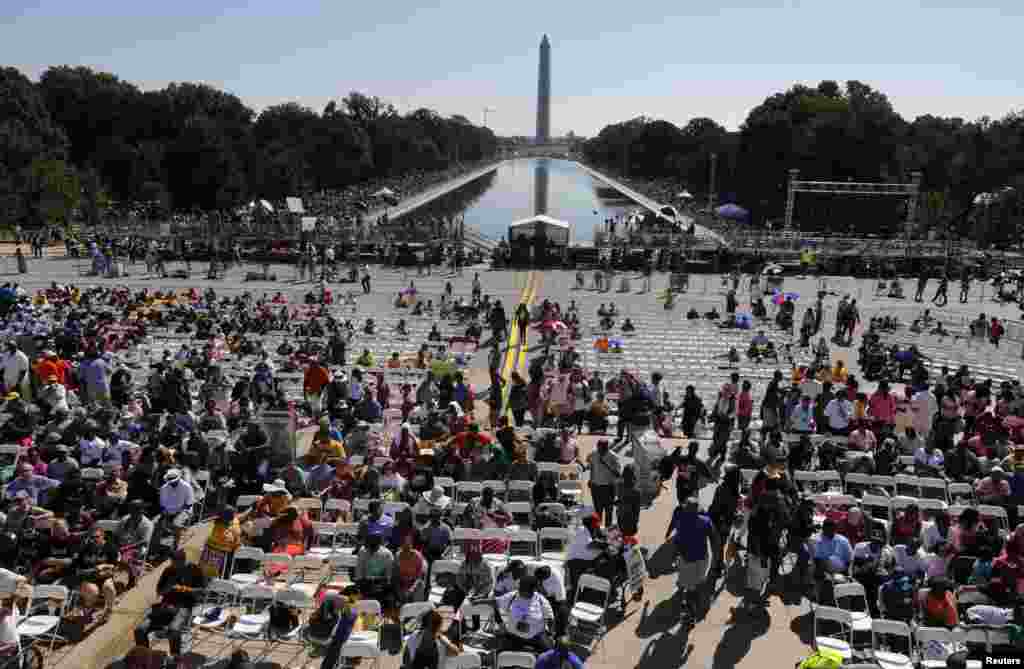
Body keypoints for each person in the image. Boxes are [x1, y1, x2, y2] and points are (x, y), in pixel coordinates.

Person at [134, 549, 208, 659]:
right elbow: (159, 592)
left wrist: (184, 589)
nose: (173, 565)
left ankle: (175, 657)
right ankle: (144, 657)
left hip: (184, 607)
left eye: (176, 563)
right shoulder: (168, 571)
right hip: (166, 606)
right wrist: (168, 588)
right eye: (172, 562)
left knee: (174, 630)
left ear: (183, 561)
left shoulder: (194, 570)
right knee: (140, 629)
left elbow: (202, 591)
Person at [665, 497, 721, 621]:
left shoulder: (681, 521)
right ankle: (693, 605)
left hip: (688, 561)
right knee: (697, 583)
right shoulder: (705, 521)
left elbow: (677, 543)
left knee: (691, 588)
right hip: (703, 559)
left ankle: (690, 612)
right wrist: (716, 560)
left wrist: (673, 556)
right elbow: (715, 540)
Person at [492, 574, 555, 653]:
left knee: (550, 655)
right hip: (513, 636)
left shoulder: (541, 600)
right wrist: (500, 623)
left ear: (533, 589)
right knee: (499, 656)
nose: (520, 590)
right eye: (520, 587)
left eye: (523, 589)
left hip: (536, 637)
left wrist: (550, 633)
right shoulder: (513, 595)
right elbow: (495, 602)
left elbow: (550, 617)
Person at [585, 439, 620, 527]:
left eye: (604, 448)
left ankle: (608, 530)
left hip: (608, 488)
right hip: (595, 487)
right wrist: (591, 479)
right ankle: (598, 531)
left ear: (607, 447)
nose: (601, 450)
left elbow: (617, 474)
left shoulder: (613, 457)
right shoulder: (593, 454)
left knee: (608, 511)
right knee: (597, 510)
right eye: (599, 448)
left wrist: (607, 465)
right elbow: (591, 467)